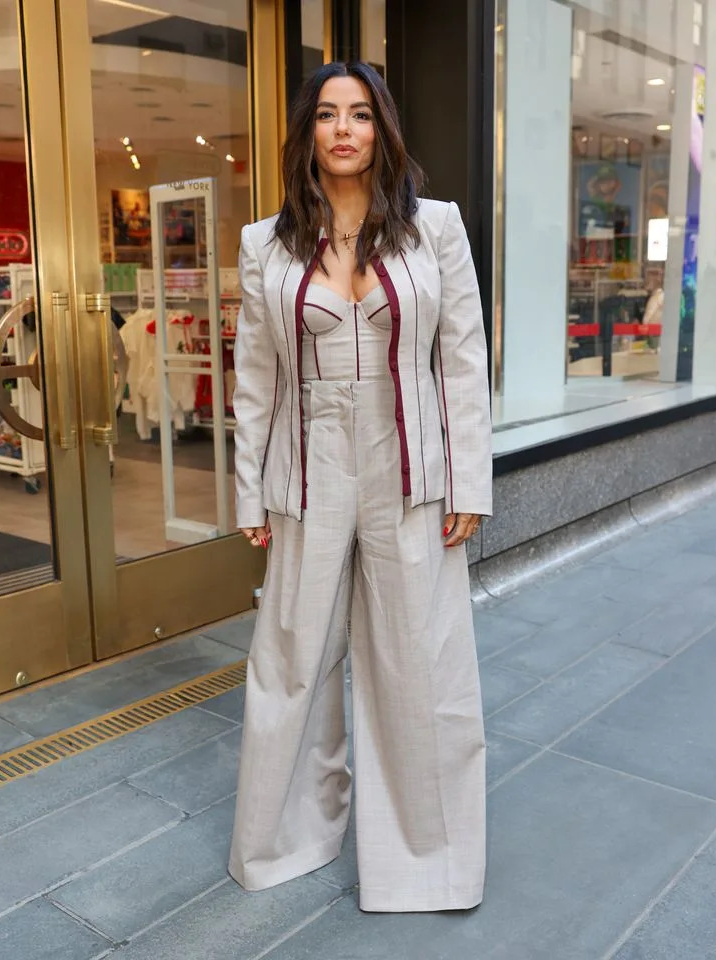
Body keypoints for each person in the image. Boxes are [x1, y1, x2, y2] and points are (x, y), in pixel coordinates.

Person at [229, 61, 492, 914]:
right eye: (327, 115)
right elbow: (255, 380)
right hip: (305, 470)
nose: (344, 129)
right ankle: (283, 840)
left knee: (420, 662)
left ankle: (430, 861)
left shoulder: (436, 228)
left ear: (382, 130)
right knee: (292, 658)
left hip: (411, 465)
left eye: (361, 115)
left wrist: (470, 480)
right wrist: (246, 493)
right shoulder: (263, 243)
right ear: (307, 131)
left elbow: (460, 358)